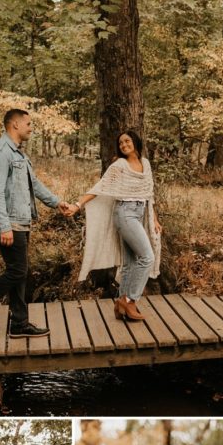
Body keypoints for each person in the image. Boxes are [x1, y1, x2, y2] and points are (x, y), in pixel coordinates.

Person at [0, 108, 74, 341]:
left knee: (19, 272)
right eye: (29, 124)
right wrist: (3, 226)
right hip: (9, 222)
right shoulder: (1, 152)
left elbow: (35, 184)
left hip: (20, 222)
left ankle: (19, 324)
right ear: (14, 125)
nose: (31, 128)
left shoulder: (19, 154)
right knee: (17, 270)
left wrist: (57, 203)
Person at [72, 130, 162, 321]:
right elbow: (100, 187)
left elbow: (149, 194)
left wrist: (154, 219)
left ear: (135, 142)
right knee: (147, 257)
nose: (123, 145)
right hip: (125, 214)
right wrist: (78, 205)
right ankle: (129, 300)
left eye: (127, 141)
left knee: (130, 263)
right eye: (120, 143)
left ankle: (120, 305)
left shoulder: (145, 163)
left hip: (139, 213)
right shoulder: (119, 165)